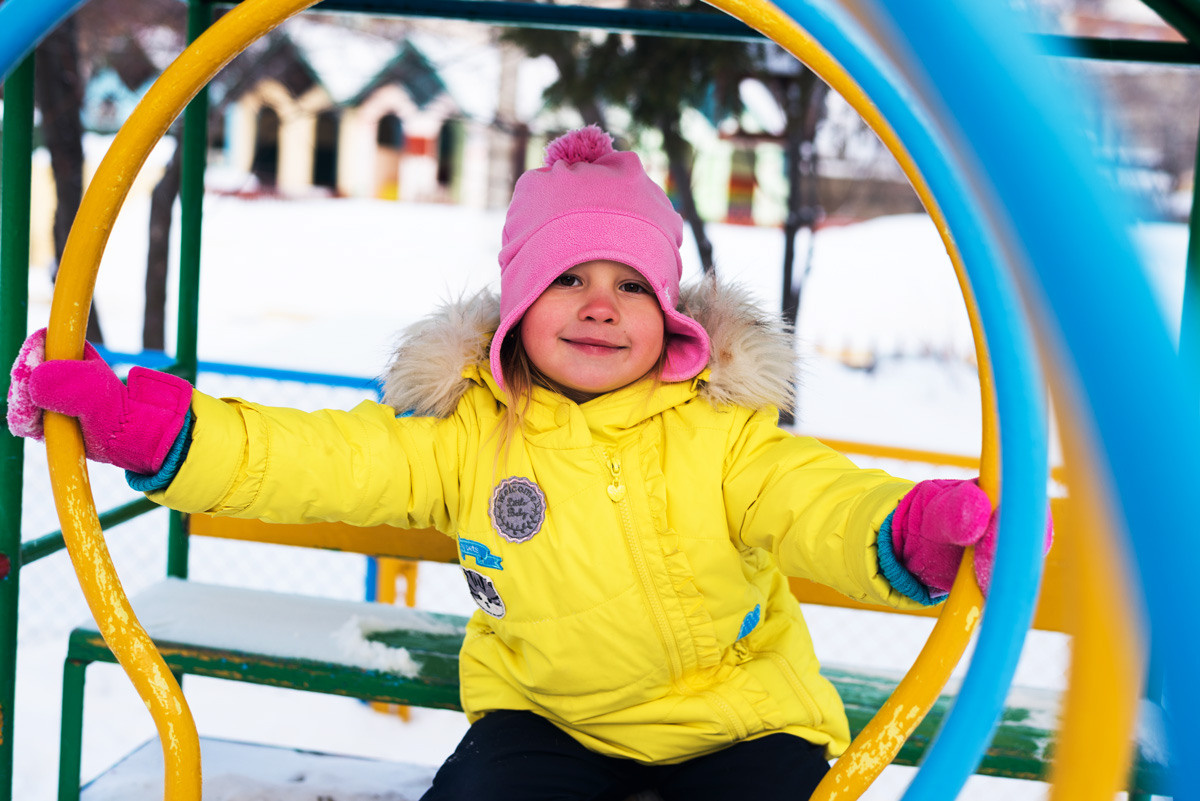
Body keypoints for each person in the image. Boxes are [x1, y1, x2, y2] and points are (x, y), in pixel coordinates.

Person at [8, 126, 1022, 801]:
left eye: (631, 285)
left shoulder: (722, 434)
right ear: (517, 307)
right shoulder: (470, 438)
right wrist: (146, 427)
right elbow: (315, 459)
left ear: (667, 318)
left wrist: (913, 529)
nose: (599, 303)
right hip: (549, 720)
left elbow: (821, 505)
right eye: (568, 277)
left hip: (739, 725)